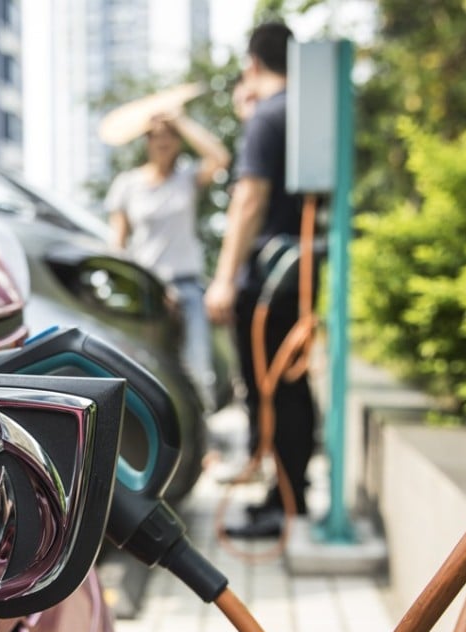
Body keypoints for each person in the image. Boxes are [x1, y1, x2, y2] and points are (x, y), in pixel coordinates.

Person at [205, 22, 316, 539]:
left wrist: (224, 278)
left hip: (267, 280)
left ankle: (283, 505)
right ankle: (287, 495)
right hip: (299, 273)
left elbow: (249, 199)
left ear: (251, 63)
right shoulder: (300, 112)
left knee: (269, 392)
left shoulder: (267, 117)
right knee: (290, 387)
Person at [105, 109, 231, 408]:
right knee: (148, 369)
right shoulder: (128, 184)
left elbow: (220, 158)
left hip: (187, 288)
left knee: (197, 368)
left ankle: (204, 445)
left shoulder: (186, 177)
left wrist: (181, 120)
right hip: (148, 290)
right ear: (147, 140)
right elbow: (117, 248)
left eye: (169, 134)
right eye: (156, 135)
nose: (163, 140)